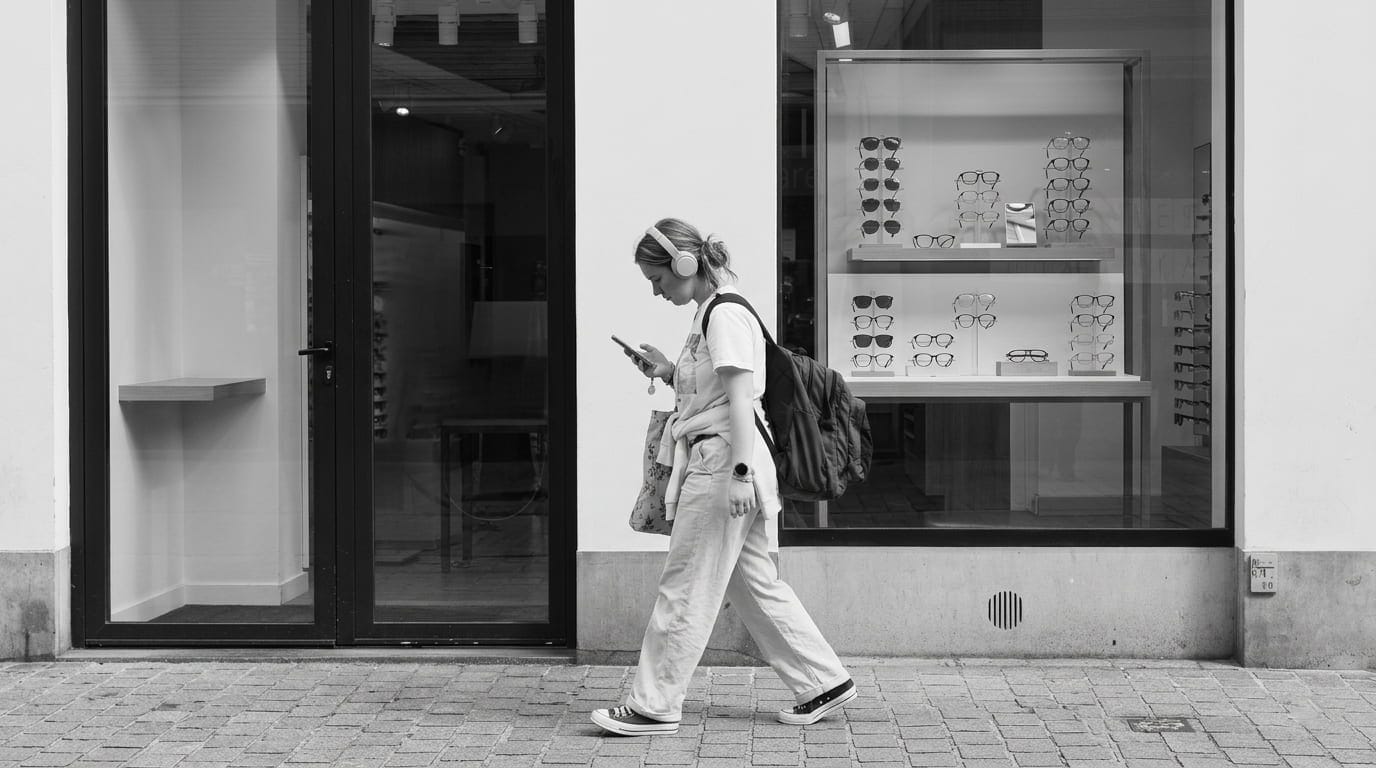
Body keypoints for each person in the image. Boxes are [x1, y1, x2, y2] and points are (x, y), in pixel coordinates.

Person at [591, 218, 856, 736]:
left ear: (686, 265)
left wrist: (738, 474)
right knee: (751, 579)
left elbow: (740, 399)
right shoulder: (709, 312)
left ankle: (655, 703)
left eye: (658, 278)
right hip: (726, 459)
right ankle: (822, 680)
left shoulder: (724, 315)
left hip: (722, 464)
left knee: (686, 582)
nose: (655, 289)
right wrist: (668, 371)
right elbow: (715, 389)